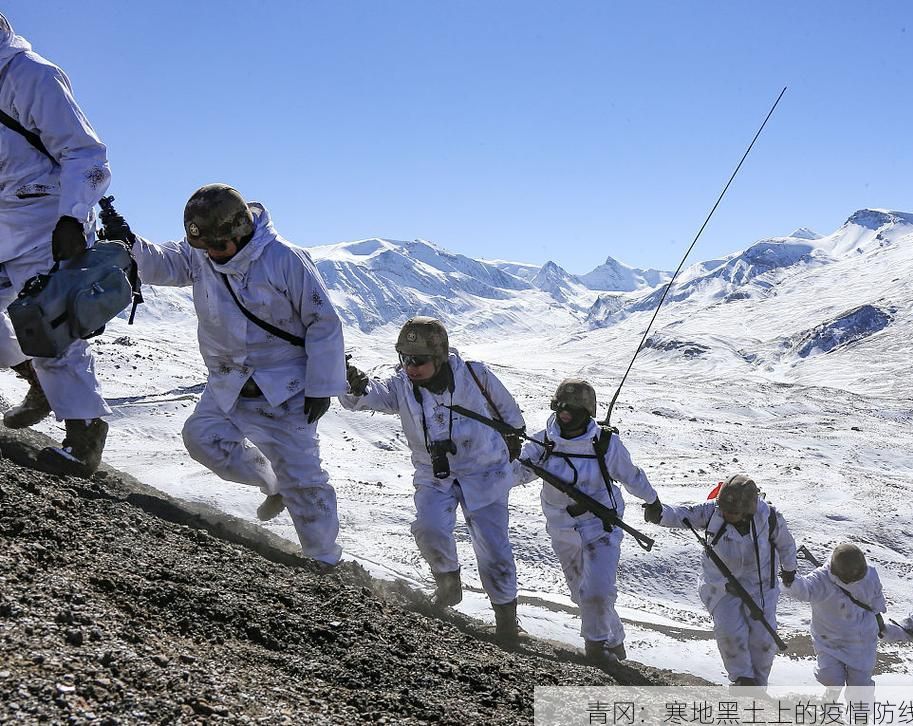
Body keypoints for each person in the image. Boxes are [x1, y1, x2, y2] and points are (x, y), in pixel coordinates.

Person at [132, 184, 344, 565]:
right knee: (202, 439)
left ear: (241, 231)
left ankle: (324, 562)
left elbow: (323, 323)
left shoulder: (285, 260)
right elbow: (161, 262)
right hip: (228, 380)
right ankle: (270, 483)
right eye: (205, 248)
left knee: (305, 481)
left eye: (218, 246)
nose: (211, 255)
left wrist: (322, 386)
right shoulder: (201, 254)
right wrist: (127, 244)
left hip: (285, 387)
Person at [340, 317, 525, 641]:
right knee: (429, 528)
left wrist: (512, 439)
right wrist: (353, 385)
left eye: (419, 360)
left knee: (494, 549)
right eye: (405, 358)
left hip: (484, 471)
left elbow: (507, 411)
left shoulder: (474, 374)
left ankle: (506, 620)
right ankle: (448, 583)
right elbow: (370, 396)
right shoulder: (401, 386)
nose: (411, 366)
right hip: (434, 472)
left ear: (438, 357)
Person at [0, 11, 113, 475]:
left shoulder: (32, 76)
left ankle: (85, 435)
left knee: (49, 324)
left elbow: (86, 154)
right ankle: (36, 380)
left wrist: (71, 216)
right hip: (4, 219)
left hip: (46, 219)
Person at [516, 378, 660, 664]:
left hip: (600, 526)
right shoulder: (543, 441)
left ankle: (595, 649)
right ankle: (615, 642)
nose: (565, 413)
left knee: (598, 590)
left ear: (587, 413)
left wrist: (652, 501)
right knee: (580, 592)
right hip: (562, 527)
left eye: (572, 408)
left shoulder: (605, 443)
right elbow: (517, 472)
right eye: (560, 406)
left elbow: (631, 476)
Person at [647, 473, 797, 685]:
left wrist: (789, 569)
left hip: (761, 586)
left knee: (763, 640)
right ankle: (742, 679)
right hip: (721, 585)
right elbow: (684, 513)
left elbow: (786, 544)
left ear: (747, 510)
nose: (727, 514)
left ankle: (759, 684)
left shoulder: (769, 517)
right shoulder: (712, 512)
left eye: (733, 512)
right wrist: (660, 514)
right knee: (729, 632)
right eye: (724, 509)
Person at [787, 543, 886, 695]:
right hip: (829, 642)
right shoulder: (821, 579)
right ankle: (830, 702)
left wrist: (878, 614)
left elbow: (877, 597)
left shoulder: (870, 574)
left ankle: (860, 717)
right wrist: (790, 580)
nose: (854, 578)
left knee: (860, 686)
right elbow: (804, 589)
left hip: (861, 641)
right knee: (830, 678)